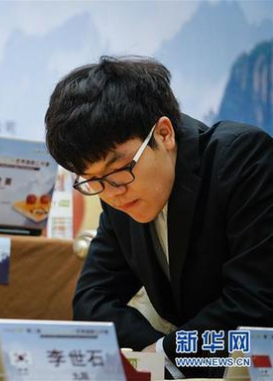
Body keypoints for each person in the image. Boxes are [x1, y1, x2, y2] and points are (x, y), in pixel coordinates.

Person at [45, 56, 273, 379]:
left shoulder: (242, 161)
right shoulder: (118, 193)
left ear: (164, 134)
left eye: (119, 169)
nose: (111, 193)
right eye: (92, 180)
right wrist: (158, 352)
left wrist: (167, 354)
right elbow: (92, 303)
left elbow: (257, 301)